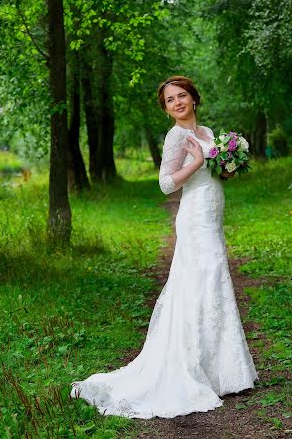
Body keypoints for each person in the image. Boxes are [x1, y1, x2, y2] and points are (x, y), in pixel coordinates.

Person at [70, 75, 258, 418]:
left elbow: (216, 174)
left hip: (213, 212)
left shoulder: (207, 132)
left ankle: (222, 371)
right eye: (170, 100)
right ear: (166, 109)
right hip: (194, 217)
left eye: (182, 96)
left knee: (214, 279)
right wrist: (197, 164)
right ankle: (192, 367)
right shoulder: (176, 136)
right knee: (200, 278)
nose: (177, 103)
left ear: (194, 99)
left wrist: (226, 165)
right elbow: (165, 184)